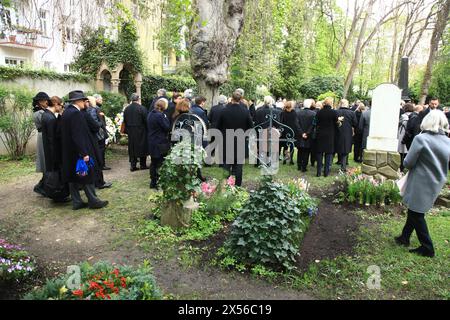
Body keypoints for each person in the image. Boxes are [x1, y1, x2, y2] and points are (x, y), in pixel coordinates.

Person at [396, 110, 450, 258]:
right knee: (415, 210)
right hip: (437, 180)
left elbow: (408, 162)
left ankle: (427, 247)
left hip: (420, 180)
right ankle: (404, 237)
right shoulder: (448, 140)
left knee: (416, 213)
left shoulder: (421, 139)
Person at [61, 91, 109, 210]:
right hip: (79, 151)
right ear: (78, 101)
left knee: (74, 176)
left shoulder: (67, 112)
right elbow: (78, 135)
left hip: (69, 151)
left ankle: (77, 202)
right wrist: (84, 153)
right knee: (87, 174)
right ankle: (93, 201)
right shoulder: (76, 114)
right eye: (84, 100)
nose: (85, 103)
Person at [216, 92, 253, 187]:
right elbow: (251, 127)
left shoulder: (224, 111)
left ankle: (225, 185)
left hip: (227, 140)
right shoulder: (245, 111)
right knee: (239, 166)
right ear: (240, 99)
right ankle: (238, 186)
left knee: (226, 164)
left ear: (232, 99)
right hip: (240, 139)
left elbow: (217, 126)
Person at [84, 97, 112, 190]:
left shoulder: (86, 111)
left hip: (92, 138)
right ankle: (99, 182)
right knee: (98, 158)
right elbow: (95, 124)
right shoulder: (92, 110)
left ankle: (97, 180)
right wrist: (100, 123)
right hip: (97, 137)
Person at [147, 99, 171, 189]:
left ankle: (153, 182)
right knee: (160, 163)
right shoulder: (160, 115)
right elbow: (167, 127)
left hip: (152, 141)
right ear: (163, 106)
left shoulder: (150, 114)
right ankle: (158, 182)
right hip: (159, 142)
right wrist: (165, 117)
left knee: (153, 162)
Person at [32, 92, 51, 197]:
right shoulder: (39, 113)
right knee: (45, 160)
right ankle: (42, 186)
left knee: (47, 162)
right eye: (45, 101)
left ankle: (42, 185)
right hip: (43, 136)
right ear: (40, 102)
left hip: (44, 135)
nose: (47, 102)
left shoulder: (42, 112)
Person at [123, 94, 149, 172]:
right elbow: (146, 120)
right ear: (138, 99)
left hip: (131, 131)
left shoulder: (127, 109)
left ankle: (133, 165)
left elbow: (125, 120)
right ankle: (142, 164)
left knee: (132, 147)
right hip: (141, 130)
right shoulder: (142, 108)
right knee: (142, 147)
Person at [315, 98, 338, 177]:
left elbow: (316, 123)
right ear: (331, 103)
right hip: (330, 135)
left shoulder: (319, 112)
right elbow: (336, 124)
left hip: (320, 134)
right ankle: (326, 172)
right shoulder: (334, 112)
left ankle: (318, 172)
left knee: (319, 153)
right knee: (328, 154)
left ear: (324, 103)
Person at [336, 99, 357, 172]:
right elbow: (355, 123)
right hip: (347, 133)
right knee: (345, 149)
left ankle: (333, 164)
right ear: (347, 104)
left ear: (340, 104)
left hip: (337, 132)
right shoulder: (351, 113)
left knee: (338, 147)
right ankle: (343, 166)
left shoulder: (336, 112)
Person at [296, 99, 316, 172]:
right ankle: (304, 167)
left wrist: (302, 133)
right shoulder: (313, 114)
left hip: (301, 134)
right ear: (310, 105)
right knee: (306, 151)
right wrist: (307, 133)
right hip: (308, 135)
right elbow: (313, 125)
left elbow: (297, 124)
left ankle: (299, 165)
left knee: (300, 150)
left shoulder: (298, 113)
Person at [93, 94, 110, 171]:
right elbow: (98, 121)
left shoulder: (97, 108)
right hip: (99, 132)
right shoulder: (96, 109)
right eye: (100, 99)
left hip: (100, 131)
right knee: (101, 149)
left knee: (102, 149)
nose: (102, 101)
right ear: (96, 100)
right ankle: (101, 164)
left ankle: (102, 164)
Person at [280, 101, 298, 165]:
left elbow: (281, 122)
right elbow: (296, 123)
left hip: (285, 131)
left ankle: (285, 160)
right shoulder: (294, 113)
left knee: (285, 146)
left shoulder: (283, 113)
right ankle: (291, 160)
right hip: (292, 131)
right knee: (291, 146)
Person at [398, 103, 415, 172]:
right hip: (409, 136)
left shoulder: (403, 116)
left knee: (401, 152)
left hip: (402, 134)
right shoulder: (414, 116)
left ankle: (401, 167)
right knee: (406, 152)